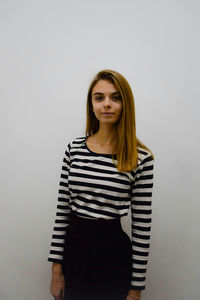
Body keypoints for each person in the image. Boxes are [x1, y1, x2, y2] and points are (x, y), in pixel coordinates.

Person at [48, 69, 155, 300]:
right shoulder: (73, 149)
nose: (107, 104)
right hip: (75, 253)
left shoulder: (140, 158)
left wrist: (136, 289)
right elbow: (62, 211)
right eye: (99, 97)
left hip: (113, 257)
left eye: (115, 97)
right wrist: (56, 270)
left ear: (125, 104)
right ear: (91, 104)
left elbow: (142, 226)